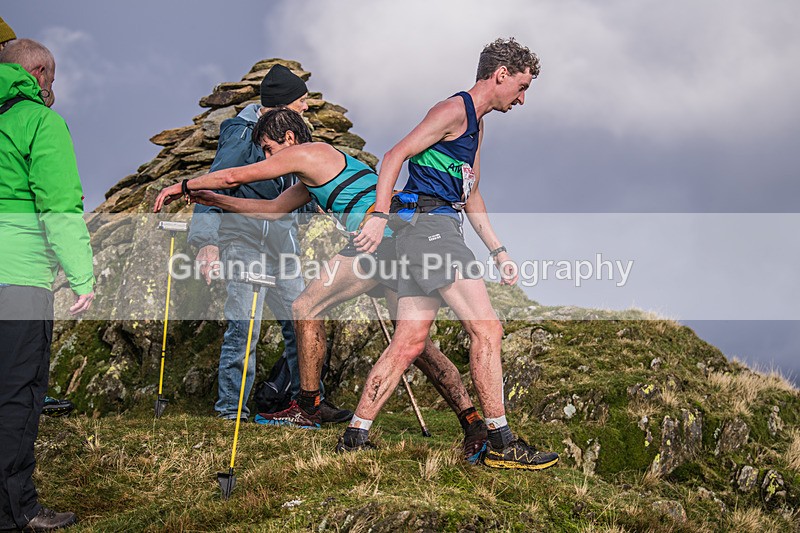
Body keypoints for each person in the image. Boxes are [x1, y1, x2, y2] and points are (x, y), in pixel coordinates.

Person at [154, 108, 490, 463]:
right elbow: (271, 209)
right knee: (414, 344)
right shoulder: (316, 169)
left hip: (378, 241)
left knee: (305, 306)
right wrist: (216, 201)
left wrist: (185, 186)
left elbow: (234, 174)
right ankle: (472, 423)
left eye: (269, 148)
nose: (269, 158)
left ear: (288, 138)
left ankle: (309, 407)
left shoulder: (308, 152)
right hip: (397, 237)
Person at [343, 38, 559, 470]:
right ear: (500, 75)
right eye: (521, 87)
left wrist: (498, 251)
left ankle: (354, 436)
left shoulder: (477, 125)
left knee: (408, 342)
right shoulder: (453, 110)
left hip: (433, 230)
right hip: (432, 230)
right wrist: (378, 215)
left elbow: (471, 192)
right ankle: (501, 440)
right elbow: (392, 156)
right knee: (488, 329)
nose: (522, 99)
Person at [187, 64, 350, 423]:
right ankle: (232, 411)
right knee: (245, 326)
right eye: (301, 101)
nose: (306, 108)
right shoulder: (241, 136)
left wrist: (318, 202)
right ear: (281, 106)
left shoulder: (294, 137)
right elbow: (216, 182)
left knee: (301, 321)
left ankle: (306, 405)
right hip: (243, 242)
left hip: (283, 247)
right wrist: (206, 242)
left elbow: (292, 191)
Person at [0, 38, 95, 531]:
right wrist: (82, 276)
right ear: (36, 71)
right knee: (17, 393)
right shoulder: (39, 121)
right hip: (16, 279)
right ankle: (17, 513)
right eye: (51, 77)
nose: (52, 88)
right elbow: (58, 206)